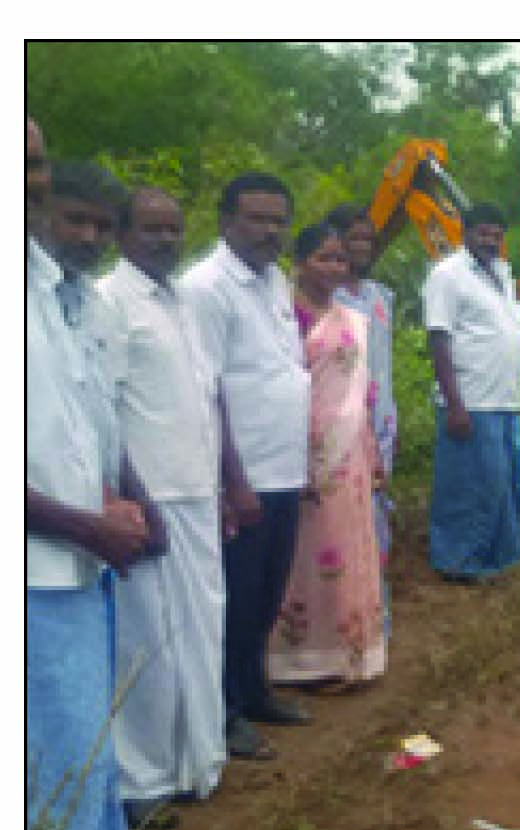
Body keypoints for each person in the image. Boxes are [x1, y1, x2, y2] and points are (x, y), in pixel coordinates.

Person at [97, 187, 226, 830]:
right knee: (145, 642)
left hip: (198, 492)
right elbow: (104, 414)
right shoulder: (109, 304)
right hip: (147, 501)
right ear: (122, 233)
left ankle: (199, 761)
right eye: (150, 228)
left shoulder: (182, 303)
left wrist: (226, 487)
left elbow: (207, 400)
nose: (164, 240)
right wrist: (133, 500)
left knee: (202, 631)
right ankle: (141, 778)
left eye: (174, 229)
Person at [25, 158, 141, 830]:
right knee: (59, 744)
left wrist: (108, 503)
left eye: (102, 224)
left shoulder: (79, 301)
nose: (89, 235)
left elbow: (77, 426)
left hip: (86, 562)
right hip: (38, 568)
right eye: (75, 219)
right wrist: (83, 524)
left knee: (89, 733)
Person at [182, 172, 313, 761]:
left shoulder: (275, 280)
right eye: (257, 219)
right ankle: (227, 710)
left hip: (283, 469)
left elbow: (281, 370)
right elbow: (205, 389)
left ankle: (256, 692)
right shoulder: (207, 288)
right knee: (234, 598)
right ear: (225, 221)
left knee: (265, 594)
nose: (270, 231)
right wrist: (234, 482)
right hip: (245, 478)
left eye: (278, 220)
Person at [267, 224, 386, 685]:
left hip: (351, 449)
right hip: (302, 449)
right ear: (299, 262)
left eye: (340, 260)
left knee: (353, 546)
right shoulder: (283, 317)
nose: (335, 268)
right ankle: (300, 662)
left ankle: (349, 655)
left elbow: (363, 390)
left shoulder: (351, 316)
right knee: (307, 555)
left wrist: (373, 451)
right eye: (323, 258)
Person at [423, 203, 520, 579]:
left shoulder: (502, 274)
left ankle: (496, 557)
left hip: (503, 398)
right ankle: (456, 562)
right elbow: (439, 340)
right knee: (467, 488)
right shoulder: (448, 275)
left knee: (500, 484)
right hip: (470, 401)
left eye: (496, 235)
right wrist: (455, 405)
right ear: (464, 232)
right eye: (483, 233)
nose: (490, 241)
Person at [327, 204, 398, 639]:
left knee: (375, 527)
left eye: (367, 240)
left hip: (381, 426)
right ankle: (338, 629)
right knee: (338, 530)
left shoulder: (380, 297)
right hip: (338, 430)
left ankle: (373, 621)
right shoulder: (323, 298)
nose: (360, 248)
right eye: (351, 239)